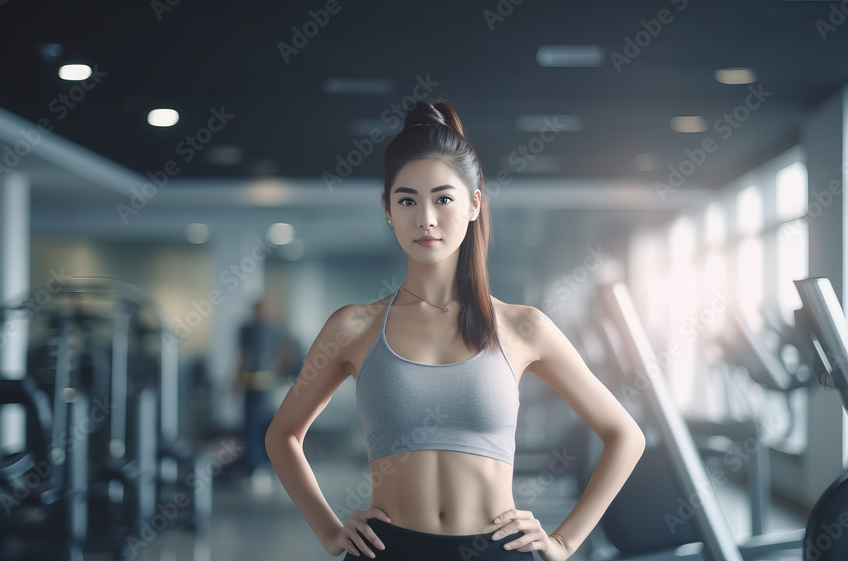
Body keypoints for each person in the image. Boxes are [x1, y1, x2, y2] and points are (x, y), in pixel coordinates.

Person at [266, 101, 645, 560]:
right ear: (387, 209)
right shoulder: (354, 327)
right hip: (389, 551)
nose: (425, 217)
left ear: (473, 204)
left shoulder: (523, 327)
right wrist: (329, 531)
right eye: (407, 200)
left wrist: (564, 541)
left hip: (497, 551)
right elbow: (283, 434)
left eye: (443, 198)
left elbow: (625, 435)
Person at [237, 298, 296, 491]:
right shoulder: (278, 330)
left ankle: (254, 469)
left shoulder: (248, 329)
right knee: (268, 426)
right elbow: (287, 355)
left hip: (253, 383)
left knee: (251, 427)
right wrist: (279, 374)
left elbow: (246, 356)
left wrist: (236, 381)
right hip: (269, 384)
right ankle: (269, 466)